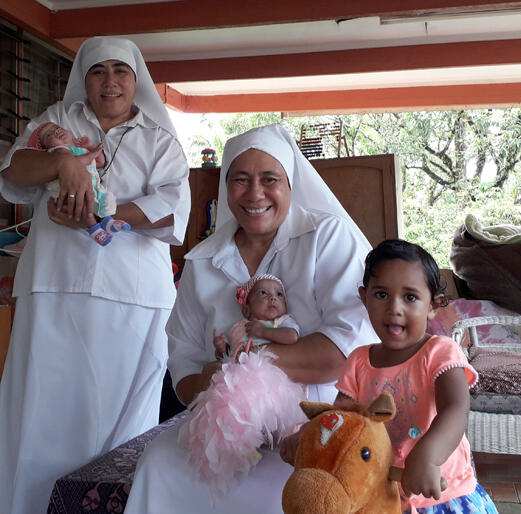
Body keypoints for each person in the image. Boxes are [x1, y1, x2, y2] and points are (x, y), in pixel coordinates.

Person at [0, 36, 190, 514]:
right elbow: (11, 172)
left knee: (121, 424)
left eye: (121, 71)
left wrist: (110, 212)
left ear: (136, 82)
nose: (109, 81)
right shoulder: (56, 121)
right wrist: (63, 162)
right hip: (55, 289)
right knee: (42, 413)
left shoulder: (160, 139)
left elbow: (176, 209)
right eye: (98, 71)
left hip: (134, 299)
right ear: (85, 80)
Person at [123, 123, 377, 513]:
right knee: (158, 463)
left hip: (317, 421)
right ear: (226, 189)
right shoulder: (202, 261)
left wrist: (245, 369)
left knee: (315, 480)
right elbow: (184, 361)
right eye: (240, 180)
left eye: (269, 179)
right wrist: (219, 395)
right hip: (223, 434)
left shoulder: (327, 237)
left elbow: (348, 349)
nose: (255, 193)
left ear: (290, 183)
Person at [335, 239, 497, 513]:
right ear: (365, 298)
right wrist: (308, 436)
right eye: (382, 295)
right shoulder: (358, 361)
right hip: (381, 497)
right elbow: (343, 421)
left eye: (410, 297)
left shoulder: (440, 351)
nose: (394, 308)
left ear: (433, 305)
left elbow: (456, 407)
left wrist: (428, 456)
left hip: (441, 495)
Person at [27, 121, 132, 246]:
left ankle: (108, 222)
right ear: (45, 148)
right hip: (73, 190)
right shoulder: (58, 151)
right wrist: (92, 153)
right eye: (49, 135)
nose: (55, 132)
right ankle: (94, 229)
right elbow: (74, 163)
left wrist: (91, 146)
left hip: (92, 187)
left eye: (57, 128)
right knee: (83, 208)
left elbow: (100, 162)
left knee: (105, 201)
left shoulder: (79, 149)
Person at [213, 273, 299, 359]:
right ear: (246, 310)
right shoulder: (238, 329)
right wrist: (221, 349)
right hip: (240, 370)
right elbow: (226, 358)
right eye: (263, 293)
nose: (273, 297)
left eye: (279, 294)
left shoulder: (282, 321)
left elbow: (292, 337)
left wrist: (263, 331)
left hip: (272, 368)